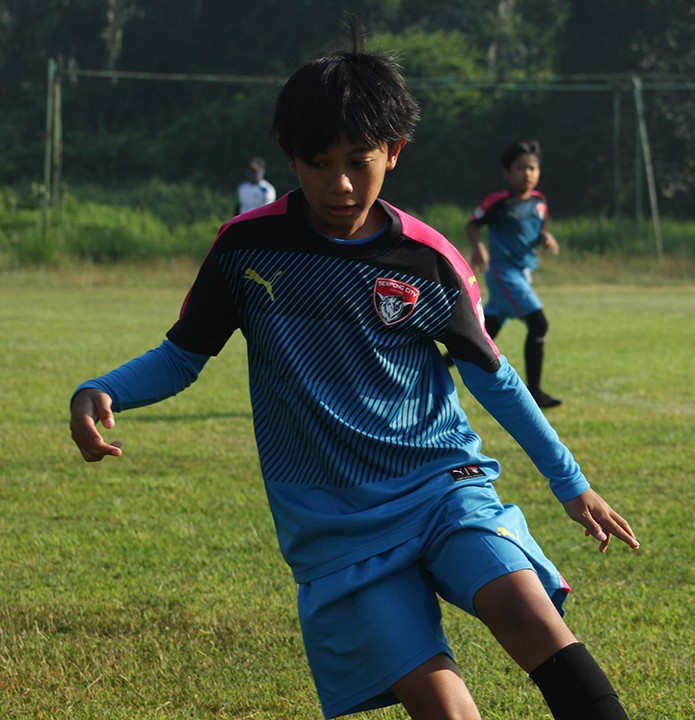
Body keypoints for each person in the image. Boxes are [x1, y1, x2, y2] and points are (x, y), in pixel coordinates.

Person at [69, 43, 638, 720]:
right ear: (289, 154)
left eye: (358, 162)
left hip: (441, 484)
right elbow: (182, 355)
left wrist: (571, 484)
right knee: (443, 707)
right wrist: (102, 389)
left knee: (526, 611)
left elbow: (495, 378)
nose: (339, 185)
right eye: (318, 164)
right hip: (333, 521)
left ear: (394, 151)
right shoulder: (247, 248)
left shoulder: (426, 259)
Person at [466, 139, 563, 409]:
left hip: (522, 274)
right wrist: (479, 248)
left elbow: (536, 228)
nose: (528, 174)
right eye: (521, 168)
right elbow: (473, 225)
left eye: (532, 168)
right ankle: (534, 393)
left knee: (482, 336)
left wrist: (546, 237)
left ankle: (439, 363)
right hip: (503, 273)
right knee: (539, 324)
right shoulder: (498, 202)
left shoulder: (540, 202)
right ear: (507, 173)